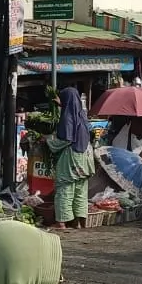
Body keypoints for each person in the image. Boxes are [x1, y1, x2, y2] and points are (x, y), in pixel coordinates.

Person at [47, 89, 96, 230]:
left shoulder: (67, 117)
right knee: (80, 191)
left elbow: (66, 139)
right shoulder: (82, 115)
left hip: (72, 158)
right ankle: (79, 222)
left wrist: (47, 140)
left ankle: (61, 222)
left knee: (64, 189)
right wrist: (61, 104)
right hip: (86, 157)